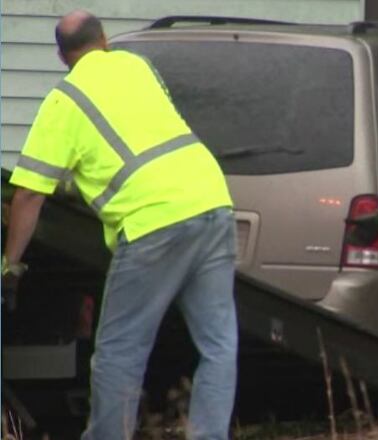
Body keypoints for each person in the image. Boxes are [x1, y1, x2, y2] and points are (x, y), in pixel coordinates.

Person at [1, 10, 238, 440]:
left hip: (153, 220)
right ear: (105, 39)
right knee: (218, 342)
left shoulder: (64, 100)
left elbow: (30, 194)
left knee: (119, 350)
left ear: (61, 56)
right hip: (212, 199)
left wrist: (10, 265)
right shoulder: (138, 66)